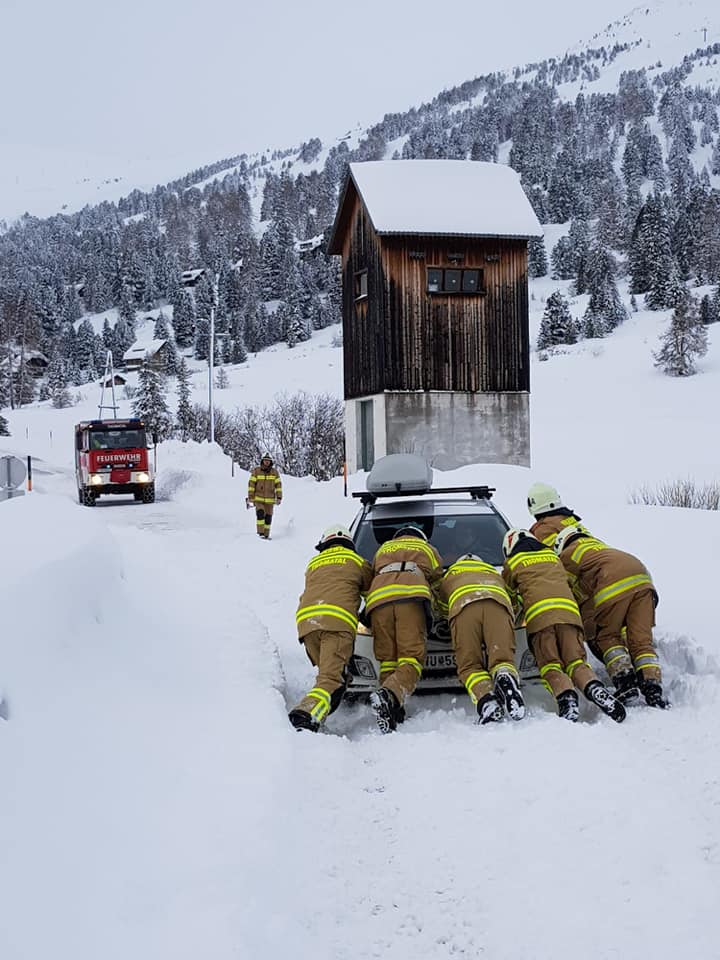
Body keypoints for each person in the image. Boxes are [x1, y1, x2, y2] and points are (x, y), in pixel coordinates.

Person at [502, 529, 626, 722]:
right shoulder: (553, 557)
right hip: (570, 616)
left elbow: (509, 599)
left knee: (551, 665)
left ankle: (567, 699)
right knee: (576, 662)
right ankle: (594, 688)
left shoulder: (513, 563)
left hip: (541, 619)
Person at [554, 526, 668, 708]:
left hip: (613, 583)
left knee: (607, 636)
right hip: (643, 581)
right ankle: (653, 689)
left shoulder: (568, 554)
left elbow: (565, 590)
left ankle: (626, 682)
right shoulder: (598, 546)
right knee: (641, 640)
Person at [289, 525, 372, 732]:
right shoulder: (357, 561)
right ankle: (305, 715)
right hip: (336, 624)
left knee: (333, 677)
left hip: (308, 625)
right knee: (330, 679)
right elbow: (372, 591)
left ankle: (320, 715)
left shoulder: (314, 563)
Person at [365, 523, 443, 733]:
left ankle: (393, 709)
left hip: (378, 601)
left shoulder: (382, 549)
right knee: (411, 658)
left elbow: (372, 574)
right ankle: (389, 694)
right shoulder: (426, 548)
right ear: (420, 537)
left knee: (388, 659)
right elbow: (438, 578)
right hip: (410, 598)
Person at [437, 553, 525, 724]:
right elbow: (514, 602)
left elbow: (440, 609)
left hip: (465, 607)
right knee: (502, 659)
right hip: (498, 605)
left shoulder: (449, 575)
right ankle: (504, 675)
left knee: (470, 666)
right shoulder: (493, 572)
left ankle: (488, 701)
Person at [247, 453, 282, 539]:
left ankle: (266, 535)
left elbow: (278, 486)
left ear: (271, 462)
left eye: (268, 461)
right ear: (262, 461)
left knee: (268, 518)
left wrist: (279, 497)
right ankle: (260, 533)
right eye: (265, 460)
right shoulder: (256, 471)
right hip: (258, 499)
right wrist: (251, 496)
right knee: (260, 513)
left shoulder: (274, 473)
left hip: (270, 500)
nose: (267, 462)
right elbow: (251, 484)